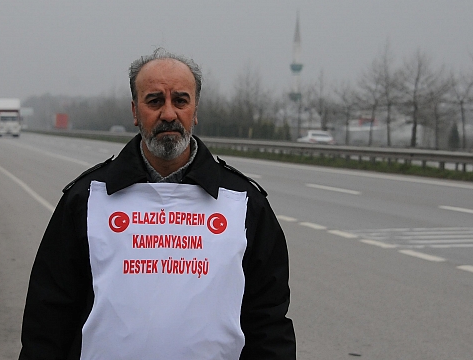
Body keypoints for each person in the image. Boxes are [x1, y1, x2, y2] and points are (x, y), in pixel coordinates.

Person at [19, 48, 296, 360]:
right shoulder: (87, 199)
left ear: (195, 109)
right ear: (135, 111)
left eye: (180, 100)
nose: (168, 114)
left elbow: (268, 322)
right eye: (154, 101)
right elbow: (49, 317)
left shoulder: (244, 203)